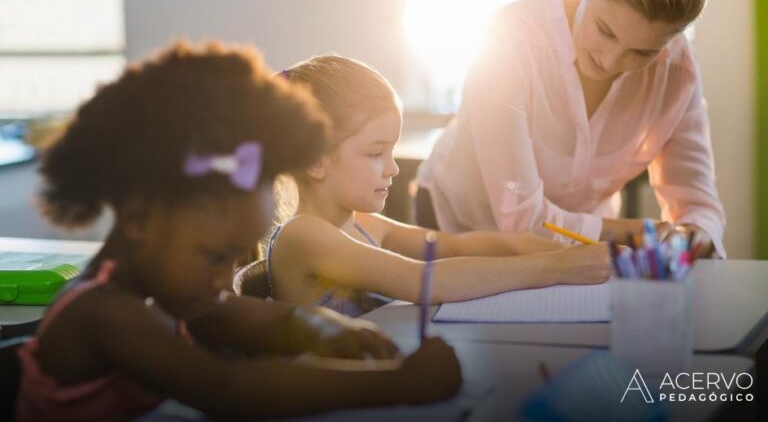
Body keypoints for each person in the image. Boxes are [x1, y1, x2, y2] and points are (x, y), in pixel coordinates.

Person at [14, 42, 461, 422]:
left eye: (231, 259)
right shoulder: (104, 312)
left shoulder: (181, 295)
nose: (222, 280)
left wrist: (322, 325)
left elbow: (279, 320)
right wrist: (401, 383)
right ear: (139, 224)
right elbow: (225, 388)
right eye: (213, 257)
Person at [416, 0, 726, 257]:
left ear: (673, 38)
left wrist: (689, 236)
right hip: (462, 219)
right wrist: (631, 233)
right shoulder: (508, 42)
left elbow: (696, 201)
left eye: (641, 52)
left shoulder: (677, 70)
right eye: (605, 30)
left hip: (584, 239)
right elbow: (520, 218)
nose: (609, 61)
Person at [265, 55, 611, 317]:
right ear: (315, 160)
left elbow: (453, 245)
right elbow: (424, 280)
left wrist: (538, 248)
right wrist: (559, 268)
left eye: (392, 151)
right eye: (376, 153)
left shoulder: (363, 225)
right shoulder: (304, 235)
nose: (393, 168)